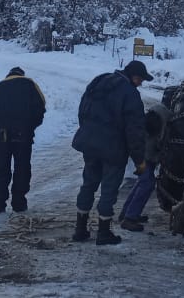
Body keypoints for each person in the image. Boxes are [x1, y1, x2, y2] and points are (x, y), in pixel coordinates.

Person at [71, 60, 153, 245]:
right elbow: (135, 131)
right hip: (113, 149)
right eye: (141, 80)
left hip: (90, 144)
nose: (141, 84)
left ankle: (80, 230)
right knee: (109, 189)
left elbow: (83, 110)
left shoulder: (99, 81)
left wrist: (89, 132)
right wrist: (139, 160)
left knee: (88, 184)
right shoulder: (130, 93)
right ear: (134, 76)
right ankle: (104, 232)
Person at [0, 66, 46, 214]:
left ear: (8, 76)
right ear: (21, 75)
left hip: (0, 136)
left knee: (0, 169)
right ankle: (19, 203)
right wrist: (30, 126)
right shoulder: (30, 85)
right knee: (22, 168)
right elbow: (40, 108)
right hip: (23, 135)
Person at [119, 102, 171, 231]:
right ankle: (129, 218)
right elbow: (153, 145)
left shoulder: (155, 117)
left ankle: (126, 213)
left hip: (143, 155)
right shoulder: (158, 123)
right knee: (147, 183)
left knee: (142, 182)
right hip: (143, 156)